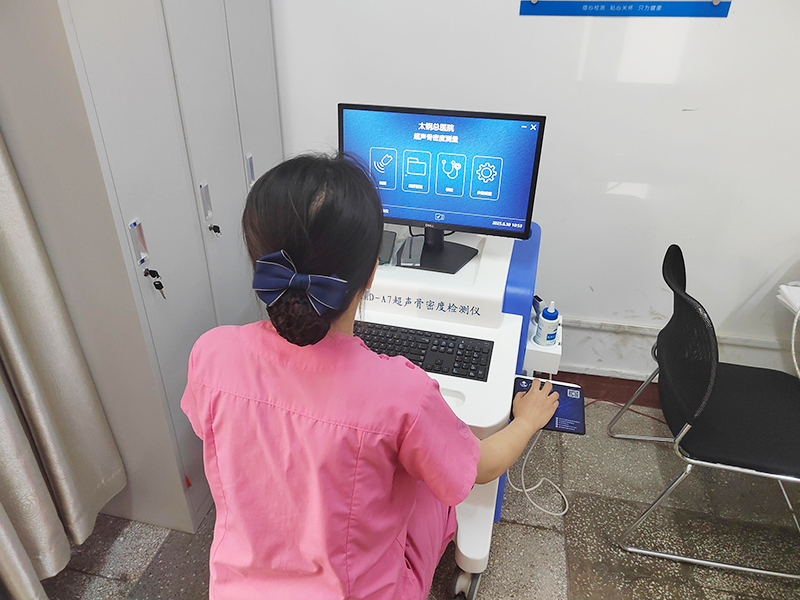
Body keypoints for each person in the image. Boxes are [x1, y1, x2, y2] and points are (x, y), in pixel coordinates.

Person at [181, 153, 559, 599]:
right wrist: (527, 420)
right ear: (373, 272)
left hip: (237, 589)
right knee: (434, 486)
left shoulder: (212, 353)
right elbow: (481, 467)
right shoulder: (402, 395)